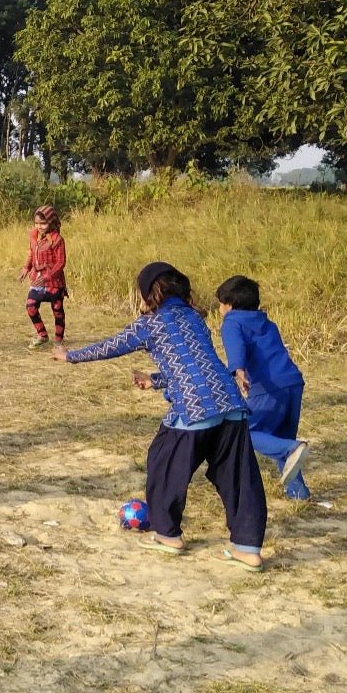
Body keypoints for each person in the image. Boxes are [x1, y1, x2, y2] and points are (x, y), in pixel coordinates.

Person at [52, 262, 268, 570]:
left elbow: (111, 346)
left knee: (162, 463)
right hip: (231, 404)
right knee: (239, 477)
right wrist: (155, 380)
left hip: (194, 408)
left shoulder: (150, 323)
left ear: (149, 293)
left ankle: (168, 535)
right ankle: (247, 548)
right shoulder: (194, 317)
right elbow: (194, 362)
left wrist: (70, 355)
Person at [217, 275, 310, 500]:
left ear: (229, 305)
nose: (219, 308)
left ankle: (292, 448)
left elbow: (236, 346)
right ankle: (298, 493)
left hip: (268, 388)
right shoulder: (267, 323)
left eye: (220, 303)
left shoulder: (232, 322)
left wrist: (238, 369)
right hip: (293, 383)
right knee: (281, 438)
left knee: (244, 432)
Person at [20, 205, 67, 349]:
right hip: (37, 278)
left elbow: (61, 262)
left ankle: (58, 340)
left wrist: (48, 276)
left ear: (51, 222)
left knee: (57, 310)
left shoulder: (58, 239)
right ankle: (42, 335)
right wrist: (26, 268)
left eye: (43, 223)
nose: (39, 226)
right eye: (37, 223)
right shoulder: (33, 235)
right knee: (30, 306)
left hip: (54, 282)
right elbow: (31, 253)